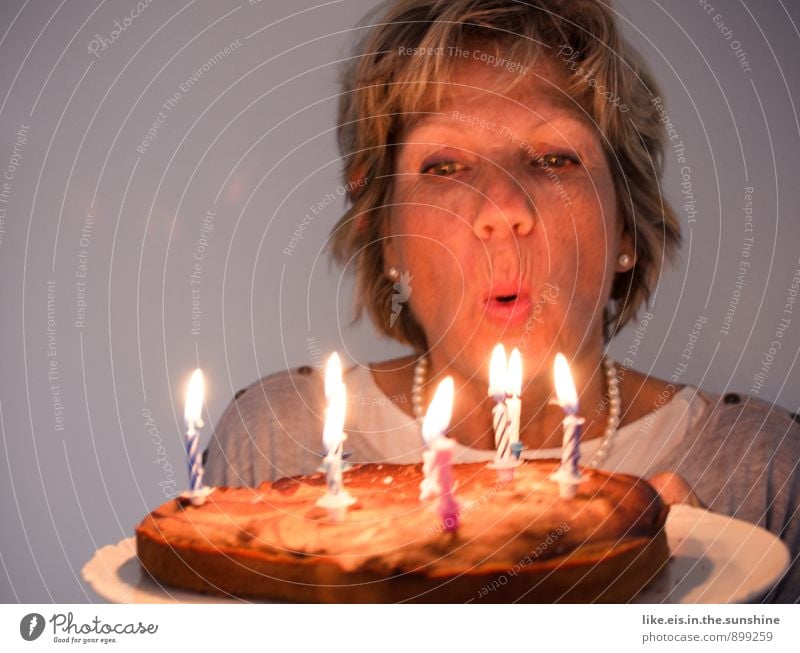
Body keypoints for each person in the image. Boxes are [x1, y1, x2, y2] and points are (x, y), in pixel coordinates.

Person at [204, 0, 799, 602]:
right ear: (387, 239)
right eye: (444, 166)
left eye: (554, 159)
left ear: (626, 229)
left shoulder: (761, 472)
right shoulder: (278, 447)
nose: (502, 207)